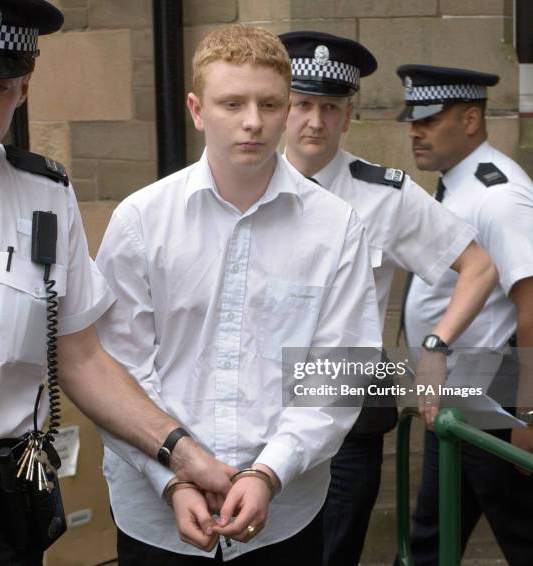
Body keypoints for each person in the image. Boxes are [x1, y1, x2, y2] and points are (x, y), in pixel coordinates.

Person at [0, 2, 234, 563]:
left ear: (23, 87)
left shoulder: (46, 195)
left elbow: (82, 357)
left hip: (0, 500)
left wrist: (180, 453)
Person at [95, 24, 382, 565]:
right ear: (197, 110)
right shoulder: (140, 221)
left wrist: (268, 472)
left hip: (284, 513)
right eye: (232, 103)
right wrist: (174, 477)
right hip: (157, 512)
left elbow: (337, 369)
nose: (253, 121)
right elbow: (118, 369)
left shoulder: (336, 226)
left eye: (270, 104)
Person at [279, 32, 497, 566]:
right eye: (302, 104)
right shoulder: (241, 182)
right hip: (259, 407)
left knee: (333, 553)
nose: (314, 121)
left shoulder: (384, 194)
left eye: (329, 108)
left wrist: (436, 345)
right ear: (281, 106)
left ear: (348, 117)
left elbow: (480, 266)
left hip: (346, 413)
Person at [397, 63, 533, 565]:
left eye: (429, 119)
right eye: (413, 118)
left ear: (471, 119)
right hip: (458, 396)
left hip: (493, 396)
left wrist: (529, 414)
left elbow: (531, 301)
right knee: (432, 539)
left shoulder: (499, 196)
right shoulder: (461, 185)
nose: (415, 130)